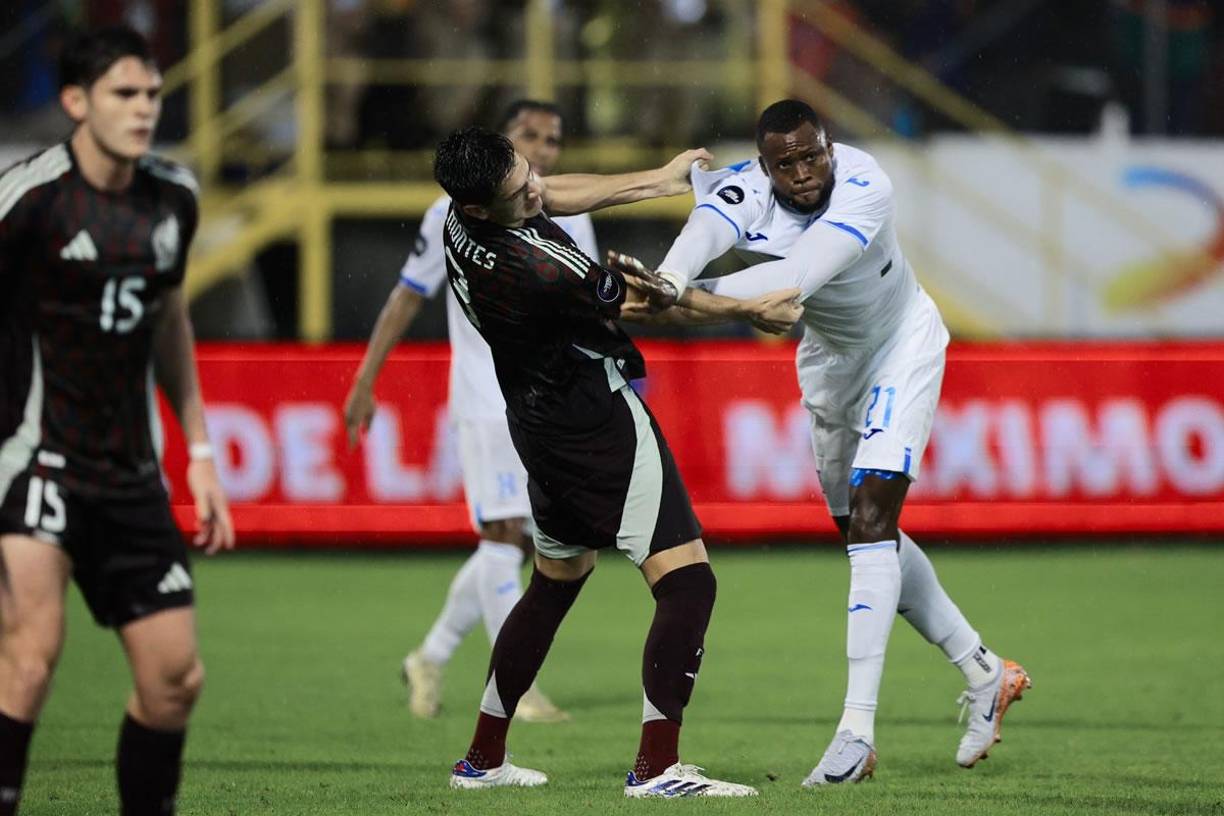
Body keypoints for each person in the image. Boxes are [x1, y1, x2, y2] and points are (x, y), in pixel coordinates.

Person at [613, 99, 1032, 785]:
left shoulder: (865, 185)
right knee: (864, 535)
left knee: (871, 521)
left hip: (901, 345)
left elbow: (791, 279)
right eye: (787, 164)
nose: (804, 172)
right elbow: (703, 230)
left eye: (812, 155)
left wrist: (676, 298)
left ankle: (855, 733)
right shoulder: (743, 188)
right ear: (765, 165)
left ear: (828, 145)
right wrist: (668, 277)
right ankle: (985, 670)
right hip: (832, 360)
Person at [432, 126, 801, 796]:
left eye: (528, 172)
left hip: (535, 421)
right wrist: (749, 308)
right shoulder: (542, 270)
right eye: (521, 188)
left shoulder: (464, 213)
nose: (536, 185)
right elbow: (645, 304)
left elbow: (551, 195)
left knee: (555, 582)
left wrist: (654, 180)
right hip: (593, 421)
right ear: (488, 208)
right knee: (689, 583)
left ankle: (482, 760)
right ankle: (657, 769)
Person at [0, 26, 235, 816]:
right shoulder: (28, 198)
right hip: (36, 460)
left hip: (133, 474)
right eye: (123, 95)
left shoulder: (173, 199)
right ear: (75, 102)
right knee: (30, 658)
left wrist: (198, 449)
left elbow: (168, 317)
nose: (142, 110)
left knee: (174, 681)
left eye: (152, 95)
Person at [344, 100, 592, 724]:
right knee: (505, 532)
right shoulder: (453, 212)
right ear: (502, 142)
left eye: (552, 137)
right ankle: (519, 686)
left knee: (525, 539)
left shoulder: (568, 211)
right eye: (528, 135)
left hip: (547, 398)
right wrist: (366, 378)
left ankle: (430, 655)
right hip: (486, 398)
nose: (542, 146)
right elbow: (408, 295)